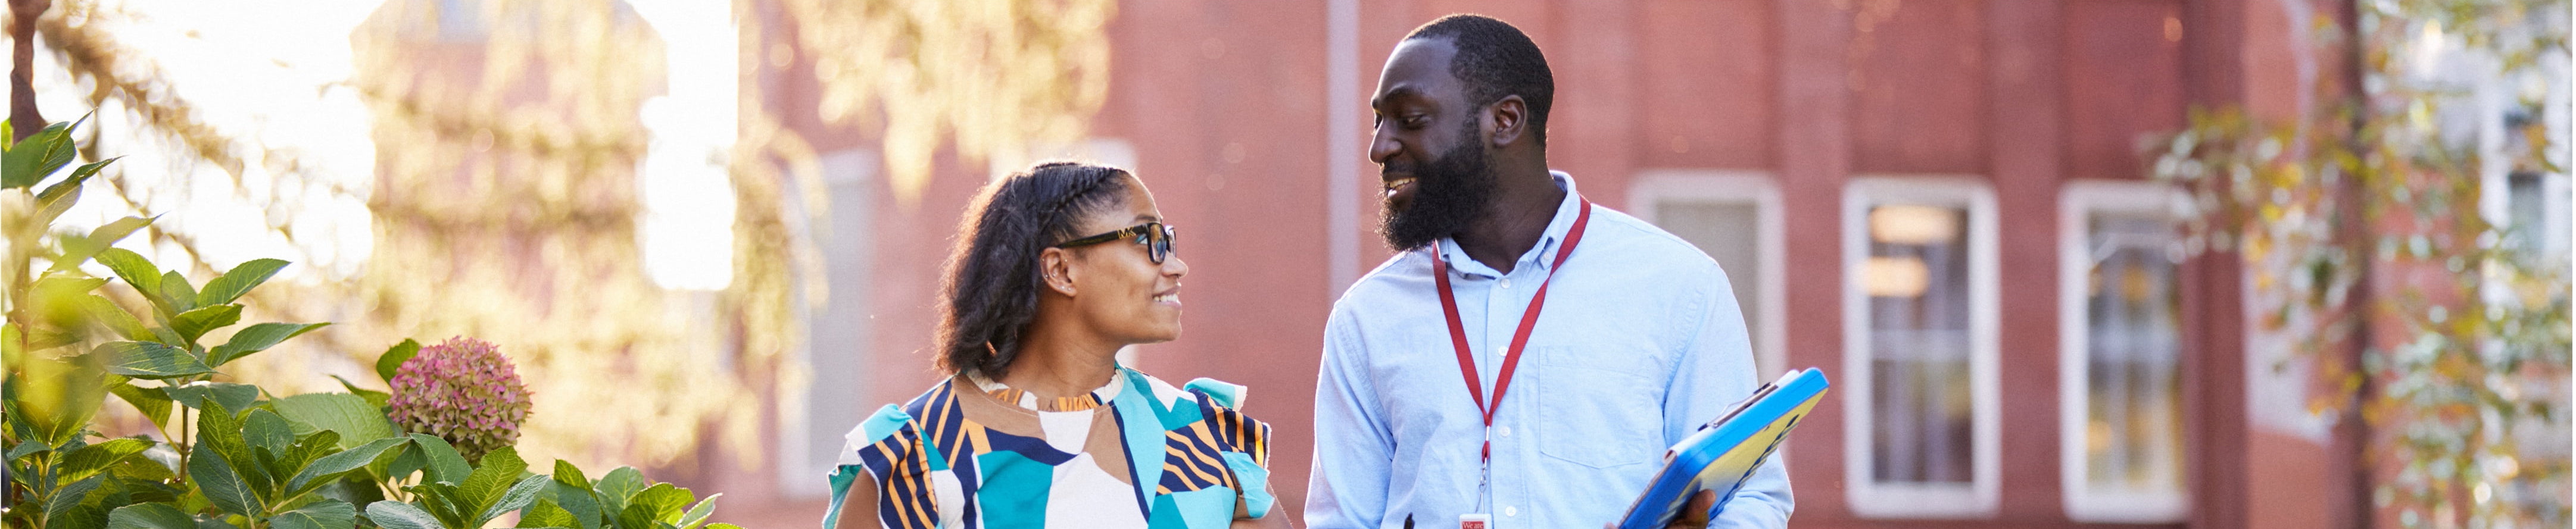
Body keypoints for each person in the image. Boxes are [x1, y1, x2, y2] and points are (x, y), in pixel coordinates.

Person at [1305, 14, 1792, 529]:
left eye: (1410, 118)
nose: (1379, 147)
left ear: (1506, 120)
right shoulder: (1365, 319)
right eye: (1379, 121)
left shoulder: (1679, 287)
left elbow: (1749, 501)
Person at [824, 162, 1287, 529]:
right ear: (1061, 271)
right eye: (1147, 239)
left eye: (1168, 239)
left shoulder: (1198, 436)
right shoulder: (925, 456)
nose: (1177, 265)